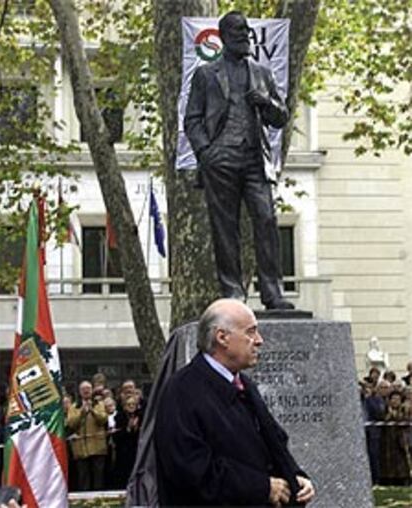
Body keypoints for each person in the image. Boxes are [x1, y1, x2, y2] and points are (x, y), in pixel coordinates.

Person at [154, 299, 315, 506]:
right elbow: (190, 469)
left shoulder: (244, 384)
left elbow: (274, 442)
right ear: (222, 337)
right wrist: (262, 487)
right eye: (250, 332)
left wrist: (295, 478)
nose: (259, 340)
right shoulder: (181, 391)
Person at [184, 11, 293, 310]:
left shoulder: (262, 72)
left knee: (267, 220)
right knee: (225, 226)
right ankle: (233, 292)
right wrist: (206, 153)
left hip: (255, 159)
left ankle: (273, 293)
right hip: (221, 159)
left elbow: (281, 117)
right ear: (222, 37)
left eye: (246, 31)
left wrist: (266, 101)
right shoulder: (206, 74)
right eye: (237, 31)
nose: (244, 36)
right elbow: (192, 119)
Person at [66, 380, 108, 491]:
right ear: (80, 392)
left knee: (98, 476)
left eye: (88, 389)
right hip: (81, 448)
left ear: (92, 390)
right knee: (83, 477)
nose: (86, 391)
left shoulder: (99, 404)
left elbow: (103, 419)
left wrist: (93, 411)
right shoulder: (74, 407)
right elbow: (71, 423)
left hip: (98, 446)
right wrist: (82, 412)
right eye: (83, 389)